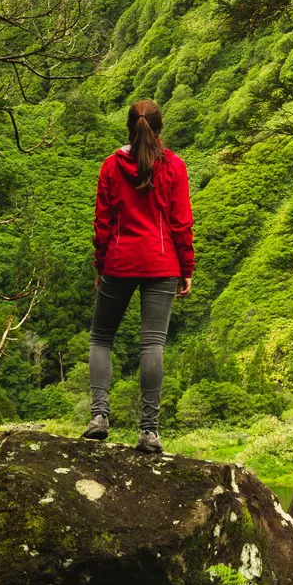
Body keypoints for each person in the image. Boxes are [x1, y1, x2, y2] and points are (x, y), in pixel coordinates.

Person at [87, 98, 193, 450]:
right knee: (152, 344)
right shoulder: (174, 166)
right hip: (162, 264)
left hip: (119, 261)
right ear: (160, 129)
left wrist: (100, 264)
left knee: (102, 338)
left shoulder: (110, 167)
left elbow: (103, 223)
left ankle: (100, 416)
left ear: (129, 129)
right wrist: (186, 267)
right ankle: (149, 431)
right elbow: (181, 223)